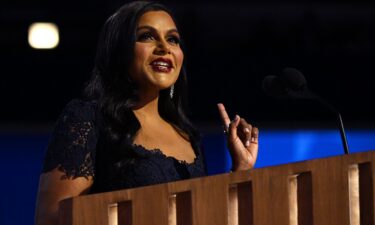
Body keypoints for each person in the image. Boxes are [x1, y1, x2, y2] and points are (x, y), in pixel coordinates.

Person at [34, 1, 259, 225]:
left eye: (172, 39)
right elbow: (54, 218)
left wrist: (240, 170)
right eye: (147, 36)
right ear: (119, 50)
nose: (164, 47)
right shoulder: (88, 118)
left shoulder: (189, 138)